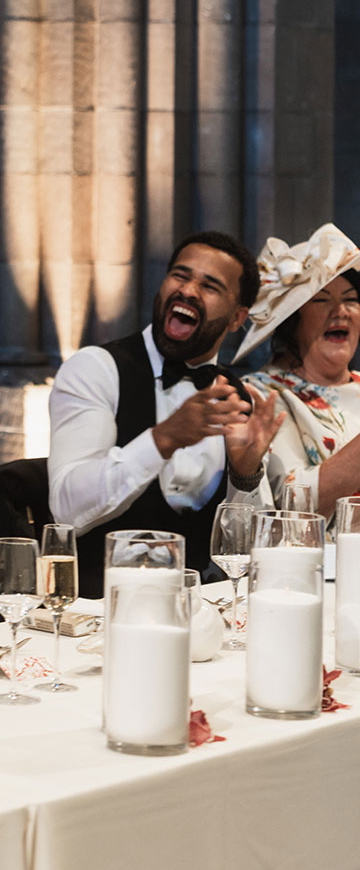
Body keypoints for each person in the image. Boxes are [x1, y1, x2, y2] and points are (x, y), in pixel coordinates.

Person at [48, 232, 282, 594]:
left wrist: (246, 474)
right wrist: (163, 440)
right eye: (180, 275)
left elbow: (255, 554)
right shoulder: (96, 369)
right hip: (95, 613)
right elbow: (66, 509)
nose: (188, 291)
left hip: (198, 613)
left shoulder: (237, 399)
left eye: (210, 285)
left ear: (238, 318)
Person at [233, 223, 360, 521]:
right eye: (322, 299)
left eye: (351, 299)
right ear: (292, 321)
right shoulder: (261, 395)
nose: (340, 310)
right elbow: (291, 508)